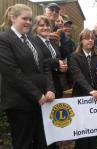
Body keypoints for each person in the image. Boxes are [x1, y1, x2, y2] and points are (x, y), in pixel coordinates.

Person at [0, 4, 55, 149]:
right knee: (23, 143)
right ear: (13, 18)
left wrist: (50, 89)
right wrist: (37, 95)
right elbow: (12, 73)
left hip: (41, 102)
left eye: (30, 19)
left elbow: (44, 67)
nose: (29, 22)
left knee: (42, 142)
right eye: (24, 18)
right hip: (20, 104)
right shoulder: (4, 40)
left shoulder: (33, 39)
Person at [32, 15, 67, 98]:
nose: (45, 28)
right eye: (41, 25)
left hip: (56, 85)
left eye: (47, 25)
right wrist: (56, 61)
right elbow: (39, 62)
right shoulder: (33, 42)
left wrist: (61, 68)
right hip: (43, 87)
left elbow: (59, 59)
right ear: (35, 27)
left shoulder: (52, 42)